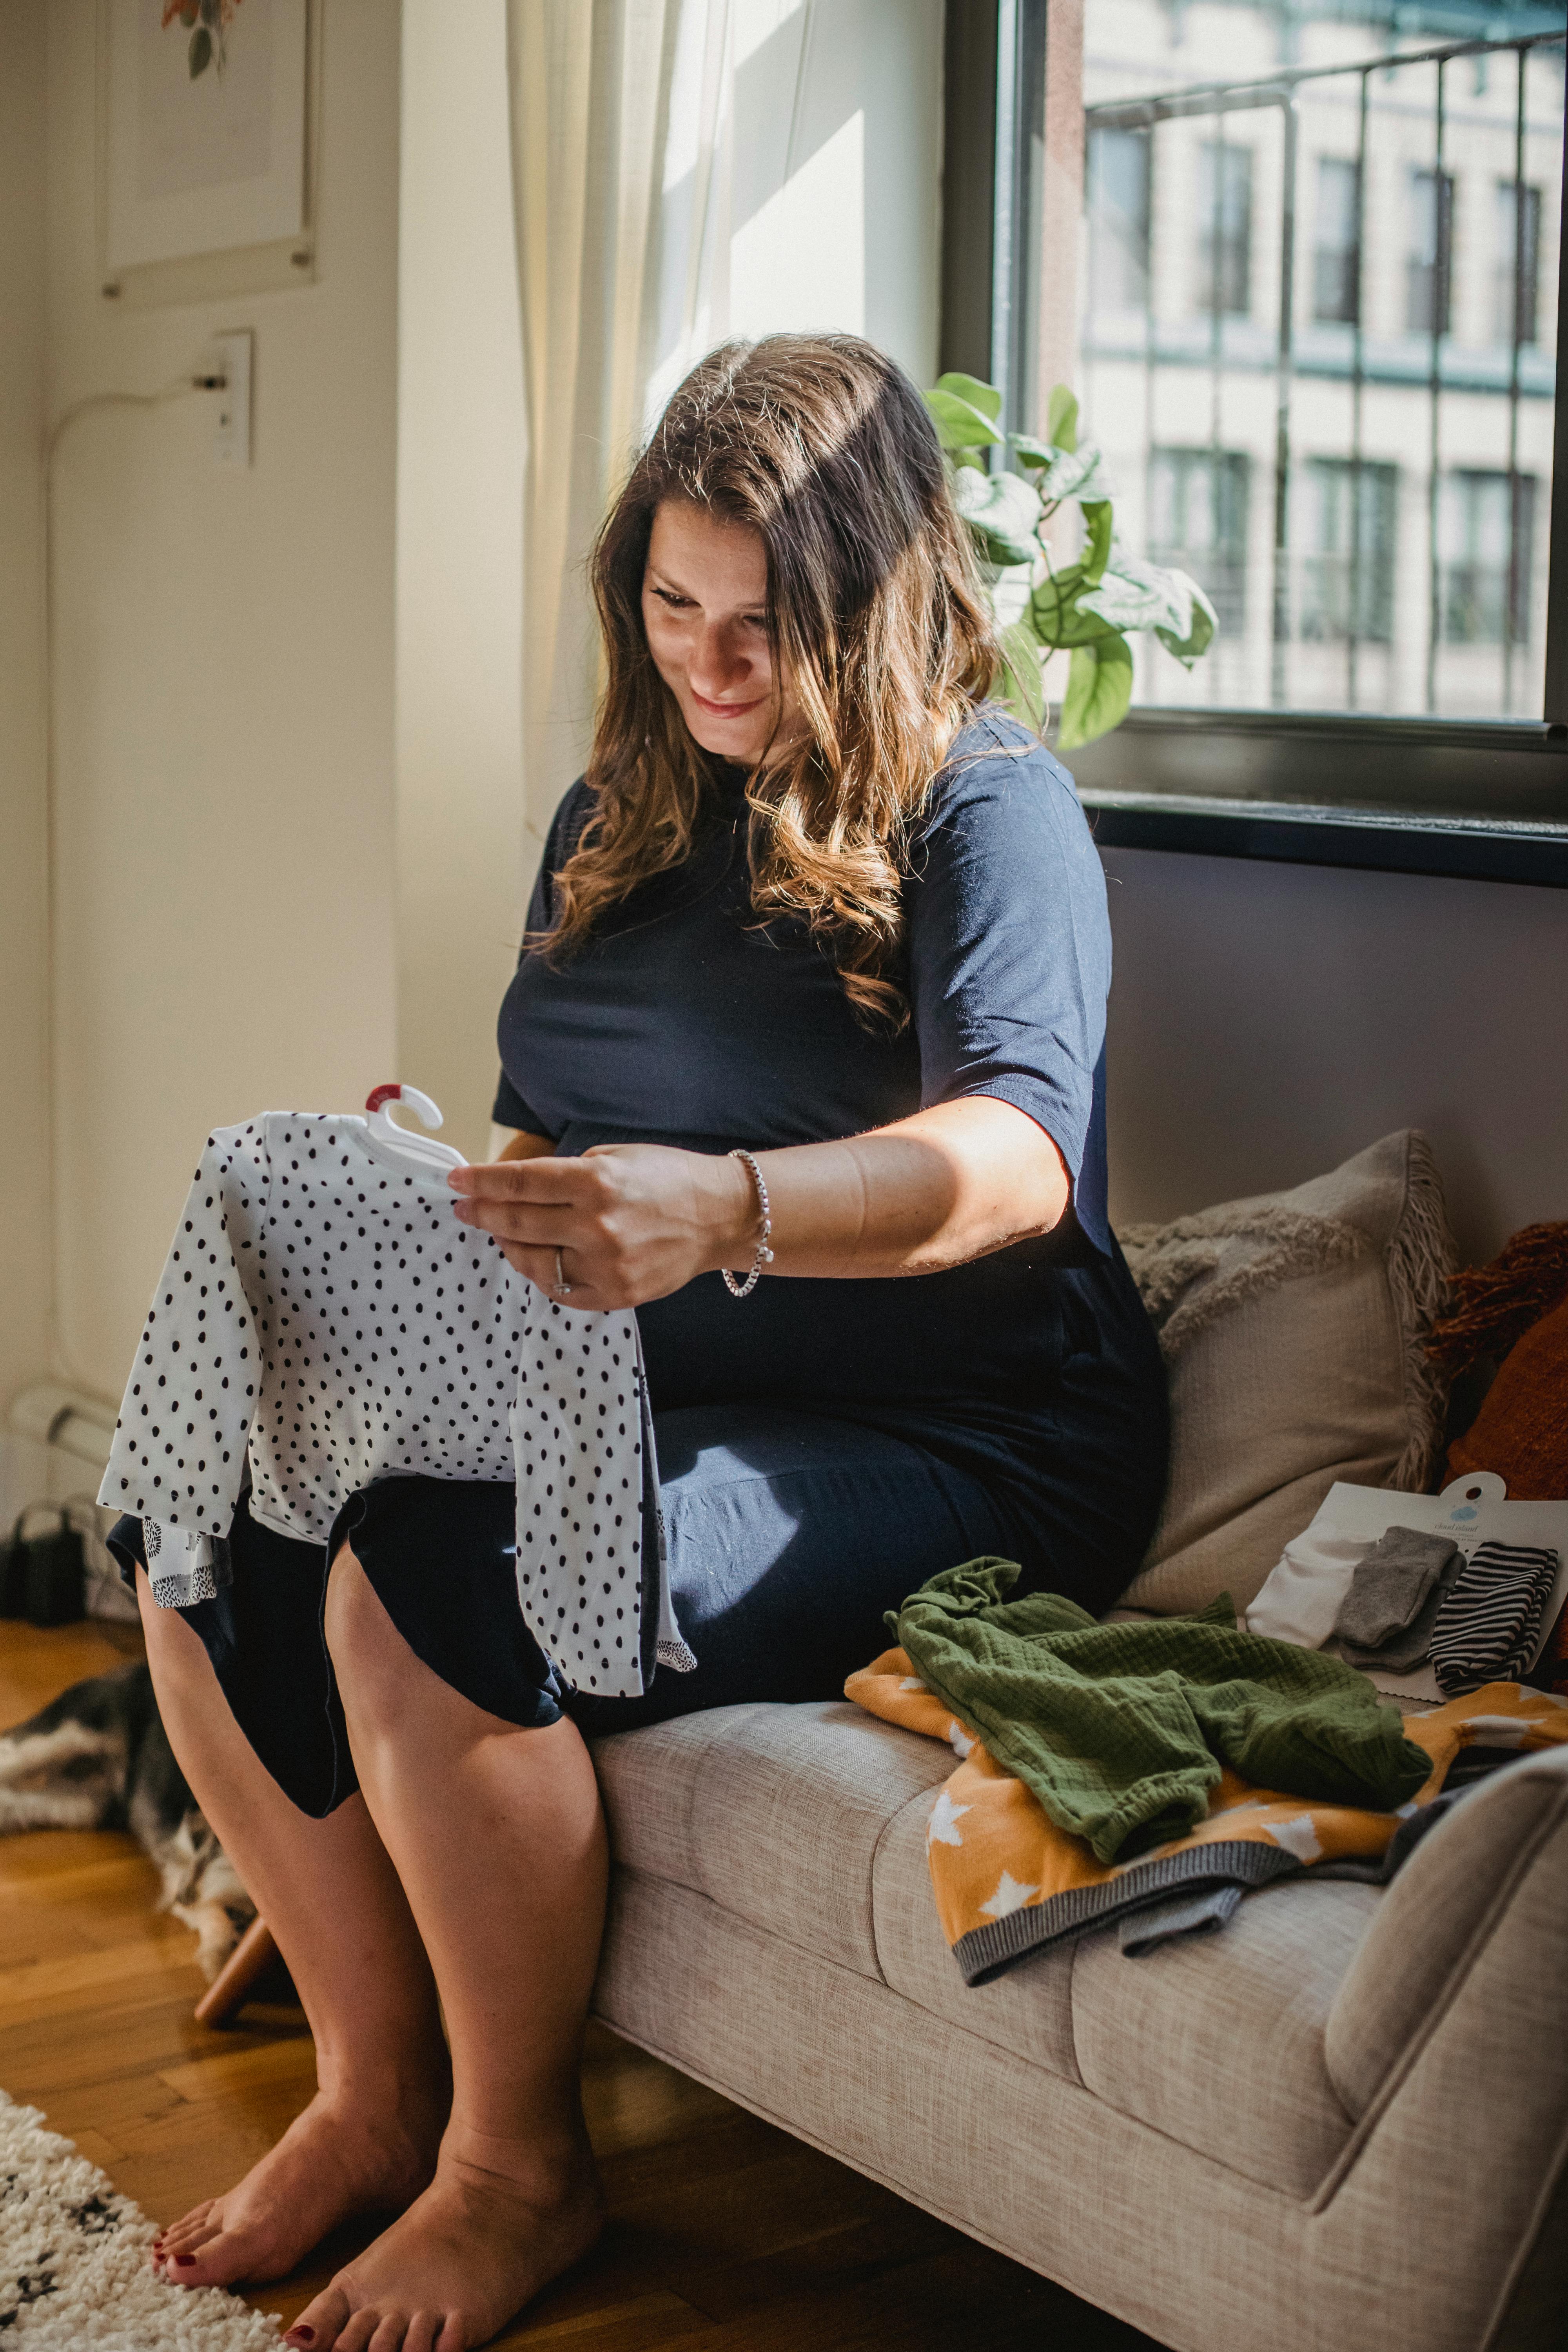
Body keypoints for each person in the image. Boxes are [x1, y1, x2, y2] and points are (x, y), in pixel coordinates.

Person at [116, 334, 1168, 2352]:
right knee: (207, 1515)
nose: (710, 662)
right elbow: (547, 1134)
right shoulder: (626, 797)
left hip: (977, 1429)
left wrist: (732, 1209)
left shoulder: (987, 809)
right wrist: (441, 1192)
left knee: (428, 1574)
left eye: (761, 627)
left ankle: (521, 2171)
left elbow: (1020, 1160)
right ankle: (373, 2090)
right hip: (657, 1372)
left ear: (875, 601)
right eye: (672, 610)